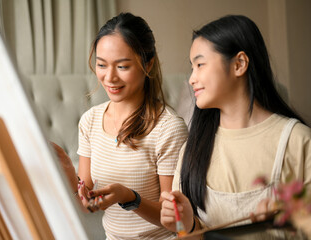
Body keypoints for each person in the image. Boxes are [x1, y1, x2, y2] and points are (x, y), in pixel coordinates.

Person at [160, 14, 311, 235]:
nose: (191, 78)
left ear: (239, 64)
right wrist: (187, 225)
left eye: (200, 64)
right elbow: (187, 235)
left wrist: (296, 217)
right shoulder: (191, 151)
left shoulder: (298, 140)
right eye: (192, 67)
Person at [53, 12, 188, 239]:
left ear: (149, 63)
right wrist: (67, 172)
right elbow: (88, 204)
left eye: (122, 66)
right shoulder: (90, 121)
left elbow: (175, 220)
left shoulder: (168, 129)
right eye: (102, 65)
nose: (109, 77)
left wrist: (129, 197)